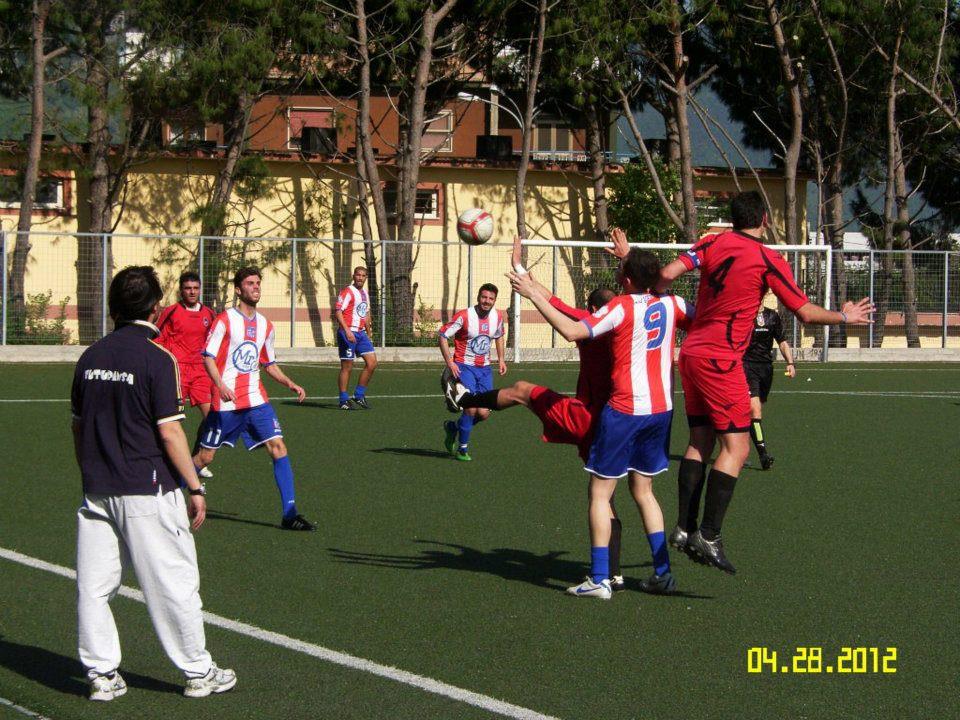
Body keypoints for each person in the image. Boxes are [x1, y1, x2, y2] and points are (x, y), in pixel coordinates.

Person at [657, 190, 874, 574]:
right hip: (721, 360)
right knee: (737, 449)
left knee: (700, 440)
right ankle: (708, 534)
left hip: (689, 352)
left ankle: (683, 528)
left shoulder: (711, 241)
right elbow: (804, 313)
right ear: (764, 219)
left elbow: (665, 275)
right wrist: (843, 316)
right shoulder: (766, 258)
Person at [72, 265, 236, 701]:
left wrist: (90, 471)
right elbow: (170, 431)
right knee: (174, 583)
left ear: (113, 307)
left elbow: (77, 426)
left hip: (97, 489)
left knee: (94, 585)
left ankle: (101, 675)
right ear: (156, 307)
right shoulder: (158, 358)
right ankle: (199, 673)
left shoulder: (89, 357)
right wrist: (195, 487)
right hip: (146, 489)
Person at [443, 232, 630, 590]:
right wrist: (626, 259)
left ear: (592, 311)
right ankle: (617, 571)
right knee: (613, 497)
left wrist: (519, 263)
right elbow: (639, 292)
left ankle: (464, 400)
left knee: (523, 391)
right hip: (624, 420)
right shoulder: (630, 321)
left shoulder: (589, 322)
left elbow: (546, 297)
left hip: (587, 418)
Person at [508, 248, 692, 599]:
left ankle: (599, 578)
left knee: (600, 493)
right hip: (662, 409)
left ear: (625, 280)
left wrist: (532, 294)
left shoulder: (620, 306)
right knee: (644, 491)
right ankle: (663, 573)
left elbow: (572, 330)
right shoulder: (674, 304)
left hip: (624, 411)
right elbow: (700, 318)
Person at [193, 267, 316, 531]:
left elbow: (268, 363)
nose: (256, 287)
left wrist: (290, 383)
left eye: (258, 283)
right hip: (226, 403)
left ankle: (290, 514)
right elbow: (208, 356)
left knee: (279, 448)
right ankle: (166, 490)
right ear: (238, 290)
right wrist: (220, 384)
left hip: (256, 400)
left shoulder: (266, 325)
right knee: (204, 458)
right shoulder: (224, 320)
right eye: (250, 283)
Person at [157, 271, 218, 478]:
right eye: (187, 288)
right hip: (177, 371)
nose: (192, 292)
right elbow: (159, 339)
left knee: (212, 417)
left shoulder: (209, 314)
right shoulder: (172, 312)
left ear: (200, 289)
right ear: (181, 291)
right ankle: (165, 460)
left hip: (201, 371)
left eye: (195, 288)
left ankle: (197, 459)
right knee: (172, 421)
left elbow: (215, 343)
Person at [438, 283, 507, 461]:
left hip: (484, 369)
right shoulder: (464, 316)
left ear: (494, 300)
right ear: (478, 297)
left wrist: (500, 359)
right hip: (464, 367)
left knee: (484, 413)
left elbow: (499, 336)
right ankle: (462, 449)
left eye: (491, 298)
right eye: (484, 297)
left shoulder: (497, 316)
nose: (487, 301)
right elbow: (443, 335)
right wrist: (450, 362)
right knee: (471, 408)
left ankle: (453, 428)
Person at [742, 301, 796, 470]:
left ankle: (737, 449)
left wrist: (790, 362)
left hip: (766, 369)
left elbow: (782, 341)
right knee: (755, 410)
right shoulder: (743, 314)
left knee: (752, 414)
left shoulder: (772, 316)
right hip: (746, 365)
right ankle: (763, 454)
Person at [336, 266, 378, 410]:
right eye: (358, 275)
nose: (360, 278)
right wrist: (347, 331)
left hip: (361, 334)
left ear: (366, 278)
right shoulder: (347, 292)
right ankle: (343, 400)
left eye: (363, 275)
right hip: (347, 332)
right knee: (347, 366)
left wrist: (369, 331)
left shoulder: (365, 293)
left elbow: (365, 313)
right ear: (354, 276)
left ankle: (359, 395)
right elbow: (338, 312)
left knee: (372, 363)